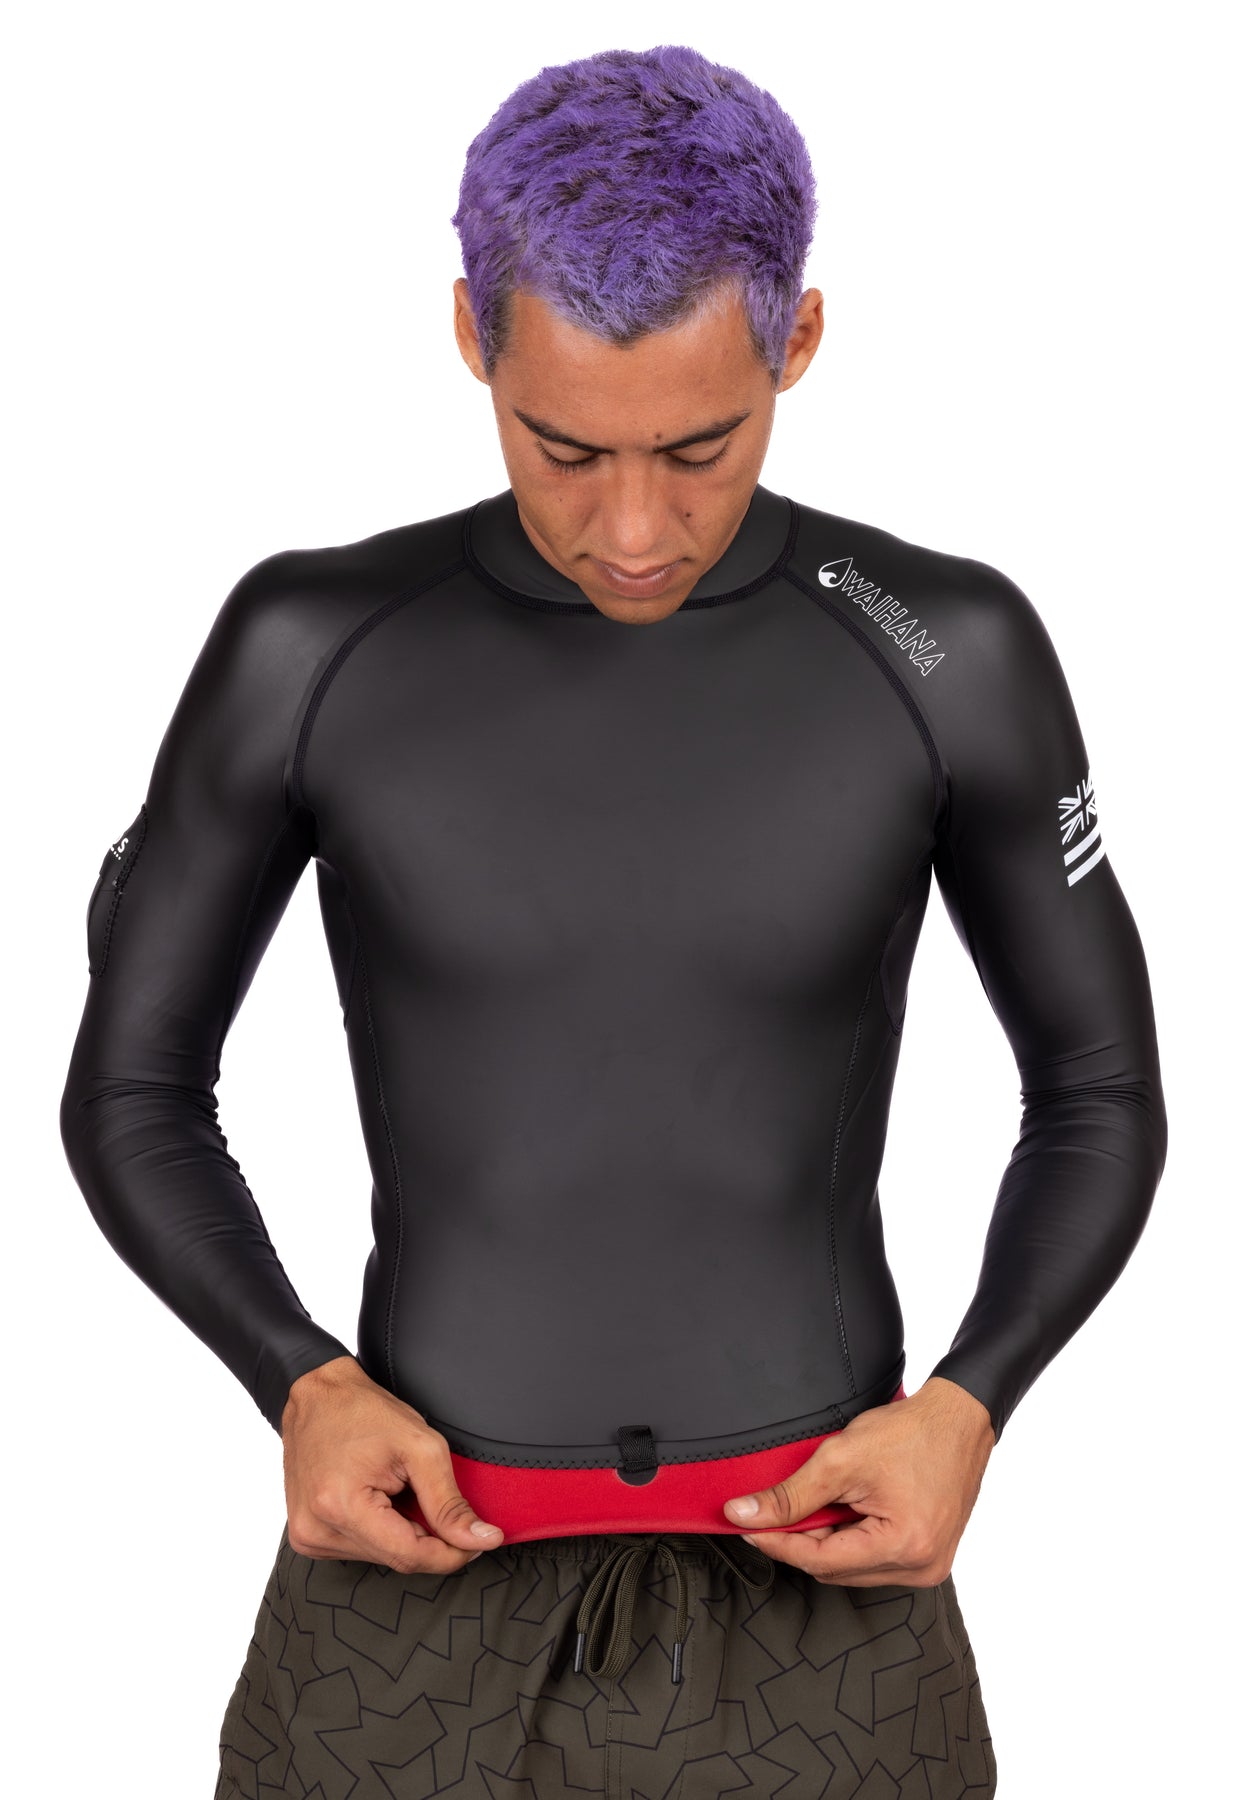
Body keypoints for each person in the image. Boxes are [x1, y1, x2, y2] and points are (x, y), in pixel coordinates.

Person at [59, 44, 1166, 1799]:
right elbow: (133, 1085)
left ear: (798, 341)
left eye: (701, 447)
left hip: (823, 1589)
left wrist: (969, 1406)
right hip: (412, 1583)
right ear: (470, 336)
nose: (634, 529)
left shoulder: (942, 649)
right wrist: (298, 1384)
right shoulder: (309, 645)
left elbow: (1095, 1088)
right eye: (562, 448)